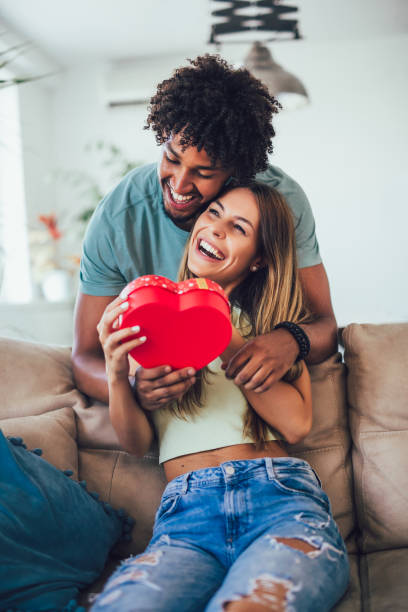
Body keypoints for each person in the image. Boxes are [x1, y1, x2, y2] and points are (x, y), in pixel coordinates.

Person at [91, 182, 349, 612]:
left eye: (238, 227)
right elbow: (136, 442)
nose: (215, 229)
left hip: (280, 501)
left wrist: (225, 338)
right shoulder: (150, 329)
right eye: (213, 213)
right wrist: (118, 374)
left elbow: (296, 425)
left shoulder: (272, 334)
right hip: (187, 519)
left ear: (259, 259)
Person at [72, 55, 337, 412]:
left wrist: (292, 340)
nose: (179, 184)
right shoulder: (119, 219)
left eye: (204, 172)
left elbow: (325, 326)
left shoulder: (281, 204)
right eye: (172, 157)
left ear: (235, 173)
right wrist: (133, 385)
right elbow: (84, 357)